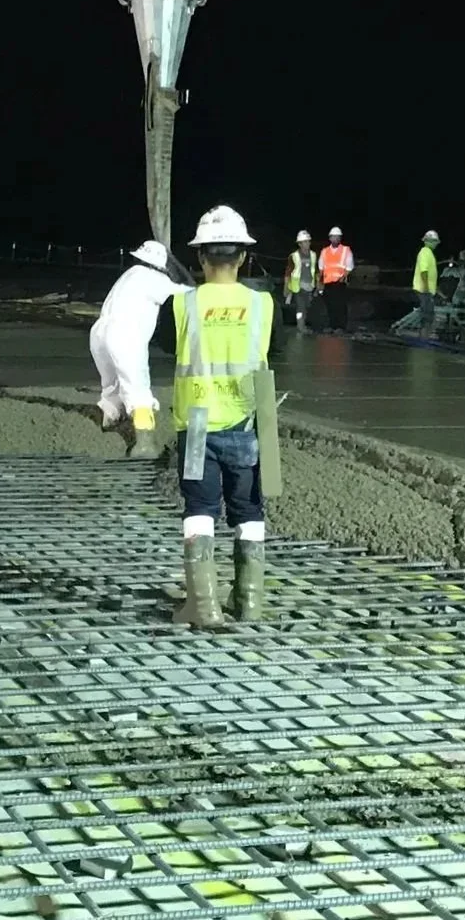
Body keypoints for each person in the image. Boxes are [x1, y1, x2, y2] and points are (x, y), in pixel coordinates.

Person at [170, 204, 274, 628]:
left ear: (200, 256)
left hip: (196, 425)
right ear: (243, 256)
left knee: (199, 506)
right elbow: (269, 356)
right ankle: (249, 602)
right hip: (247, 424)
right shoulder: (263, 304)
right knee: (249, 509)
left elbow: (167, 347)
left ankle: (203, 605)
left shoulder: (182, 304)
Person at [90, 239, 186, 455]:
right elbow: (189, 293)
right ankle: (144, 445)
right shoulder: (154, 278)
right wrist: (179, 269)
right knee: (138, 392)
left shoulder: (129, 274)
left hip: (99, 333)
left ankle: (109, 421)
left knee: (111, 388)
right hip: (125, 335)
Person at [318, 226, 354, 333]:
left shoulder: (345, 250)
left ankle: (340, 327)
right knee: (330, 305)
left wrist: (343, 277)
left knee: (340, 305)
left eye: (338, 237)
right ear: (330, 238)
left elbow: (349, 266)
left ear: (340, 238)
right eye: (334, 237)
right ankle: (331, 325)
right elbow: (321, 267)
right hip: (328, 282)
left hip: (340, 283)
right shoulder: (325, 251)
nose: (336, 239)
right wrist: (320, 282)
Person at [283, 230, 319, 331]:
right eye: (305, 242)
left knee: (306, 307)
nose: (307, 244)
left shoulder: (313, 255)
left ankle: (302, 325)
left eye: (308, 241)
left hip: (309, 286)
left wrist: (318, 284)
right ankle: (301, 326)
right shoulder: (294, 256)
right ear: (299, 244)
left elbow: (316, 270)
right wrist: (286, 287)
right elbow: (288, 272)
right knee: (300, 307)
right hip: (298, 286)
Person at [412, 229, 441, 333]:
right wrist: (426, 287)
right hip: (424, 290)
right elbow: (424, 271)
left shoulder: (429, 253)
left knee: (428, 313)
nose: (436, 244)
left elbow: (431, 276)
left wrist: (437, 291)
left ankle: (425, 334)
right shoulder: (425, 252)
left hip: (427, 290)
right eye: (434, 241)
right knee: (427, 315)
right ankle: (424, 336)